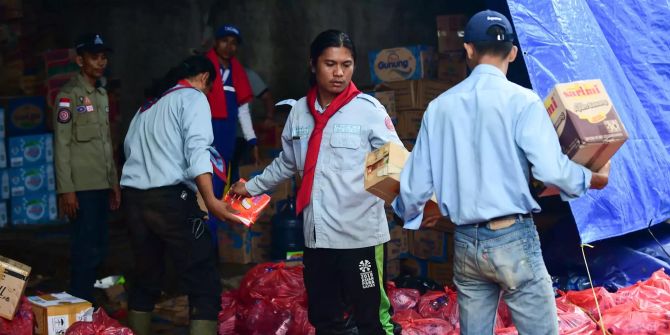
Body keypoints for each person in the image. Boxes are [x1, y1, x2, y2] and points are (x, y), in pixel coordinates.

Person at [392, 10, 611, 335]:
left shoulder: (440, 108)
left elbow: (414, 185)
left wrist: (406, 215)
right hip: (514, 239)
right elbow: (551, 170)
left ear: (468, 49)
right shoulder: (523, 102)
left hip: (466, 241)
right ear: (512, 52)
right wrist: (592, 178)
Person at [230, 29, 400, 335]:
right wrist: (251, 186)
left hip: (360, 237)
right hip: (317, 238)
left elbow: (396, 164)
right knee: (325, 318)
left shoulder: (368, 111)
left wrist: (413, 206)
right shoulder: (299, 112)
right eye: (330, 64)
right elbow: (288, 162)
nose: (338, 73)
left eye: (346, 65)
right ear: (313, 65)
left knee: (372, 320)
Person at [120, 55, 241, 335]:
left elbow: (127, 150)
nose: (208, 94)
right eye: (210, 88)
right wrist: (211, 200)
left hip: (135, 201)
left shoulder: (147, 107)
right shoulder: (193, 97)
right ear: (204, 79)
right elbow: (197, 149)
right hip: (170, 201)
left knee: (146, 276)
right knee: (204, 279)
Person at [53, 33, 121, 303]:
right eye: (95, 57)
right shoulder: (69, 97)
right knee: (85, 249)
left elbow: (106, 143)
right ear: (80, 60)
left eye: (103, 57)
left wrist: (113, 182)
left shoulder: (102, 95)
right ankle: (79, 307)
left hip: (101, 185)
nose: (101, 62)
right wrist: (66, 190)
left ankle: (91, 306)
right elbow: (61, 145)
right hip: (81, 188)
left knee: (100, 247)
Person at [205, 24, 258, 197]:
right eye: (224, 41)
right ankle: (201, 219)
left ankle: (214, 220)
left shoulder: (238, 72)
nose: (229, 47)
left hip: (227, 132)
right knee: (203, 173)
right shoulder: (203, 67)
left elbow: (243, 110)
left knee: (221, 174)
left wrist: (252, 140)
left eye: (234, 43)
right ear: (215, 42)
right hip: (204, 129)